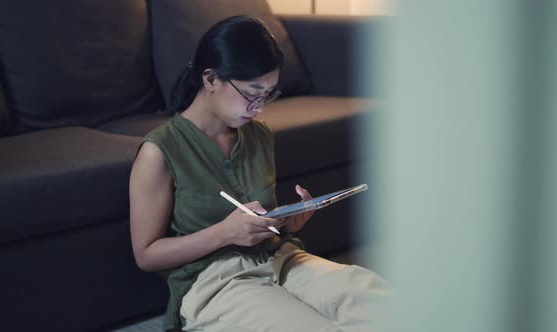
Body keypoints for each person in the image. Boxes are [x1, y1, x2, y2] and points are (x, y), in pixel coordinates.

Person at [129, 15, 390, 332]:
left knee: (381, 304)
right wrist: (225, 233)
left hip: (281, 258)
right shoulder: (160, 151)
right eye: (252, 93)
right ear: (211, 79)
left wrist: (285, 222)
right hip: (215, 281)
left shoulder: (258, 135)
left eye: (268, 94)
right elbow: (146, 255)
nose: (259, 107)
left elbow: (262, 219)